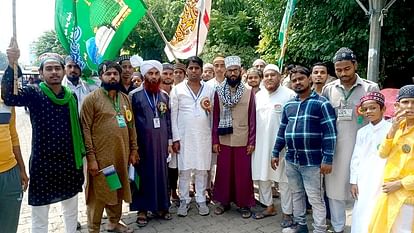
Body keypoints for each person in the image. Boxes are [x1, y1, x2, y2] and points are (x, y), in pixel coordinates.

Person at [1, 38, 84, 233]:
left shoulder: (70, 96)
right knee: (40, 215)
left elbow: (78, 128)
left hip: (69, 162)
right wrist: (13, 64)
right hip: (43, 163)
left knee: (71, 211)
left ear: (63, 71)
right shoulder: (34, 93)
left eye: (57, 68)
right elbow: (9, 96)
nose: (54, 72)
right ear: (41, 73)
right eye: (49, 69)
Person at [272, 65, 337, 233]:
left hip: (313, 161)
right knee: (297, 194)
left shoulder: (322, 104)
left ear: (309, 79)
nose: (298, 82)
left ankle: (320, 229)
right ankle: (301, 226)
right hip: (292, 160)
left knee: (315, 198)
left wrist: (327, 159)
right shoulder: (289, 105)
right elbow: (282, 131)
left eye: (301, 79)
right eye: (294, 80)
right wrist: (275, 152)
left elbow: (330, 134)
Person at [322, 47, 379, 233]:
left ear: (355, 65)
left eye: (347, 68)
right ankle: (338, 227)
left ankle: (360, 226)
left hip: (363, 149)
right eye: (338, 70)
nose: (343, 73)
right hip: (336, 149)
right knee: (335, 190)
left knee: (361, 190)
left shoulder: (369, 88)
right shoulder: (329, 89)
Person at [80, 61, 138, 233]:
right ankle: (93, 228)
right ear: (101, 77)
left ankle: (114, 222)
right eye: (108, 74)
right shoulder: (91, 100)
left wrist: (134, 150)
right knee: (98, 194)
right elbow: (85, 130)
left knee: (116, 188)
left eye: (115, 73)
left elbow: (131, 125)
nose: (112, 76)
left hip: (121, 156)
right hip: (100, 159)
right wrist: (91, 158)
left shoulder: (125, 98)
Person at [212, 55, 256, 218]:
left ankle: (244, 204)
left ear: (240, 71)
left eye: (235, 70)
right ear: (225, 72)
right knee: (224, 172)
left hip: (242, 139)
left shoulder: (249, 92)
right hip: (224, 139)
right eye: (229, 70)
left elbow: (252, 118)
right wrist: (215, 140)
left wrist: (251, 141)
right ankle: (223, 202)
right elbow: (215, 117)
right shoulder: (218, 92)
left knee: (242, 173)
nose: (232, 73)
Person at [130, 60, 173, 227]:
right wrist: (133, 147)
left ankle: (161, 207)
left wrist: (169, 141)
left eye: (156, 73)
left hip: (161, 144)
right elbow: (130, 122)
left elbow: (168, 121)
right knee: (143, 175)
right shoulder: (134, 95)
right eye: (150, 74)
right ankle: (142, 209)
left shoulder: (164, 95)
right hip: (142, 145)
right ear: (144, 75)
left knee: (161, 175)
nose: (154, 77)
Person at [170, 56, 215, 217]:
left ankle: (201, 199)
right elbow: (173, 115)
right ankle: (184, 200)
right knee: (184, 169)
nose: (194, 71)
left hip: (204, 135)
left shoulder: (209, 89)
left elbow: (214, 114)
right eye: (191, 68)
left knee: (202, 169)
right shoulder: (177, 89)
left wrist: (213, 138)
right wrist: (175, 138)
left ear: (202, 70)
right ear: (186, 70)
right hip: (184, 136)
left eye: (197, 68)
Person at [252, 64, 295, 226]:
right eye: (266, 75)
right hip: (261, 144)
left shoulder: (289, 95)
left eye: (273, 75)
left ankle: (287, 212)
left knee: (284, 181)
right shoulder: (258, 96)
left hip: (283, 146)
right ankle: (268, 206)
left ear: (280, 76)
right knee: (263, 177)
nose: (269, 78)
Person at [369, 85, 414, 233]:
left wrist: (400, 184)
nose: (410, 107)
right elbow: (382, 153)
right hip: (389, 192)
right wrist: (393, 129)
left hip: (408, 196)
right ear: (397, 105)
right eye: (406, 102)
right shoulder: (397, 126)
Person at [349, 92, 391, 233]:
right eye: (365, 109)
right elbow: (356, 157)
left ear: (383, 109)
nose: (368, 112)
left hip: (383, 175)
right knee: (362, 208)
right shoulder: (362, 132)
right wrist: (353, 181)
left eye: (373, 108)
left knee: (379, 208)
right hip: (364, 178)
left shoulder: (391, 130)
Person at [0, 93, 29, 233]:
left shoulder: (5, 99)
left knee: (8, 228)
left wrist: (22, 169)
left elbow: (13, 136)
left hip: (10, 173)